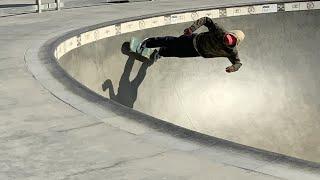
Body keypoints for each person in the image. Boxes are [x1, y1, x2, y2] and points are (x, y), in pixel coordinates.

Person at [138, 17, 245, 73]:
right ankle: (148, 42)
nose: (226, 40)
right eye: (227, 37)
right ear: (229, 33)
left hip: (197, 52)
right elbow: (206, 20)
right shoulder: (220, 31)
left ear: (235, 43)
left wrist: (233, 68)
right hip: (193, 39)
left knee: (177, 53)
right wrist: (191, 29)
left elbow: (238, 63)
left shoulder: (232, 52)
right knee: (172, 41)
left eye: (229, 41)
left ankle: (161, 52)